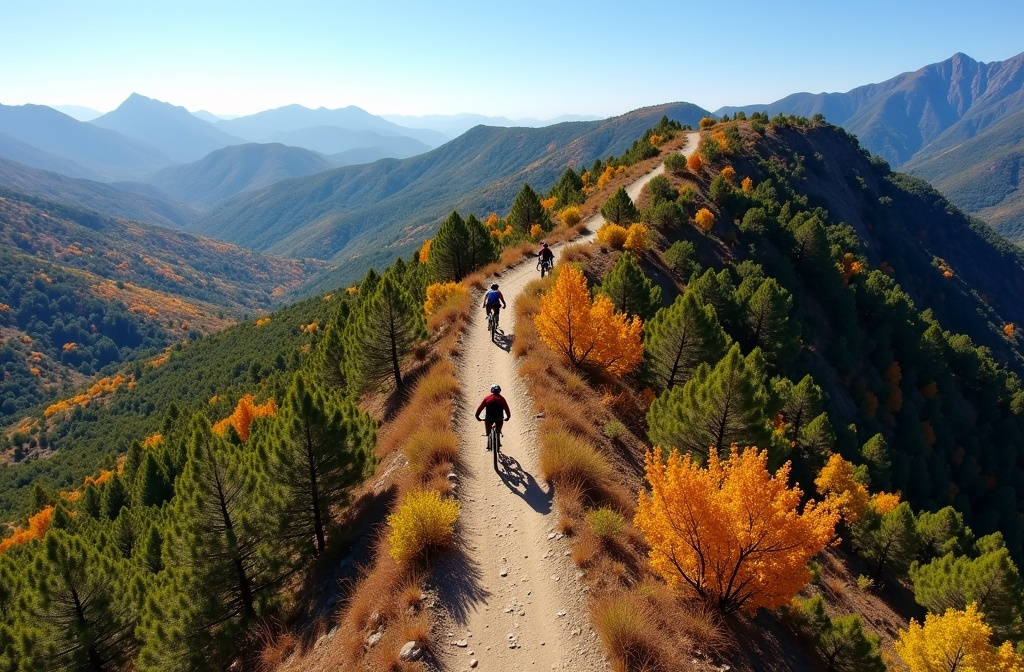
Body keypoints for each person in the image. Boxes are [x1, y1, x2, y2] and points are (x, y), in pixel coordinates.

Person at [475, 384, 511, 450]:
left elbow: (480, 408)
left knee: (488, 427)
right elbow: (507, 409)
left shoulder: (487, 398)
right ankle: (498, 441)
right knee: (498, 428)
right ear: (499, 391)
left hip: (489, 418)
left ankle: (489, 441)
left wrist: (477, 416)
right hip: (499, 418)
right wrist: (508, 417)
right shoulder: (502, 399)